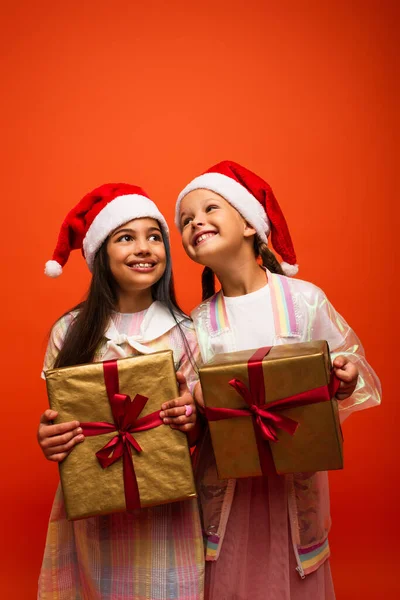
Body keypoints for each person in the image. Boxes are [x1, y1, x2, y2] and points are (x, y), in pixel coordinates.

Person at [174, 160, 381, 600]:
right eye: (186, 220)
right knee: (228, 573)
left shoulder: (304, 300)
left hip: (293, 486)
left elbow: (349, 361)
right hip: (228, 493)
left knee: (291, 575)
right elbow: (186, 404)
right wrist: (192, 401)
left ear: (250, 225)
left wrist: (343, 377)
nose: (196, 223)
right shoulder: (196, 323)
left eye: (210, 209)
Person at [37, 183, 204, 600]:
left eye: (154, 237)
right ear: (100, 254)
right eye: (126, 237)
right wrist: (51, 437)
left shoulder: (188, 333)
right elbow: (67, 424)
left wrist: (193, 419)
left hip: (169, 516)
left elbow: (202, 429)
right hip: (96, 515)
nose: (144, 248)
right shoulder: (70, 332)